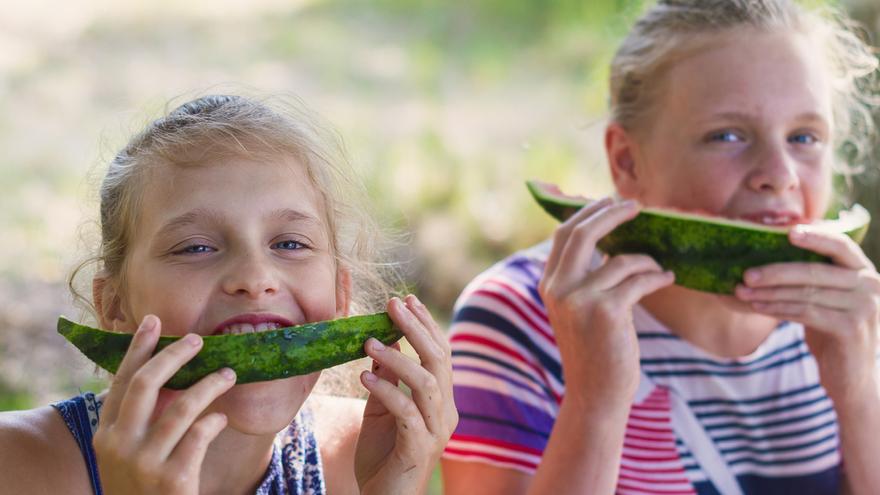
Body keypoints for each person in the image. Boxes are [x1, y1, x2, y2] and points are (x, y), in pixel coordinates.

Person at [441, 1, 880, 493]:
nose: (779, 176)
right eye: (728, 135)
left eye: (804, 136)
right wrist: (595, 399)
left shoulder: (857, 318)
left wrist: (860, 391)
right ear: (627, 162)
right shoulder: (520, 318)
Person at [0, 94, 458, 494]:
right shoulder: (18, 465)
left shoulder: (360, 455)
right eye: (196, 247)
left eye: (289, 243)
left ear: (340, 296)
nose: (255, 277)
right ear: (114, 307)